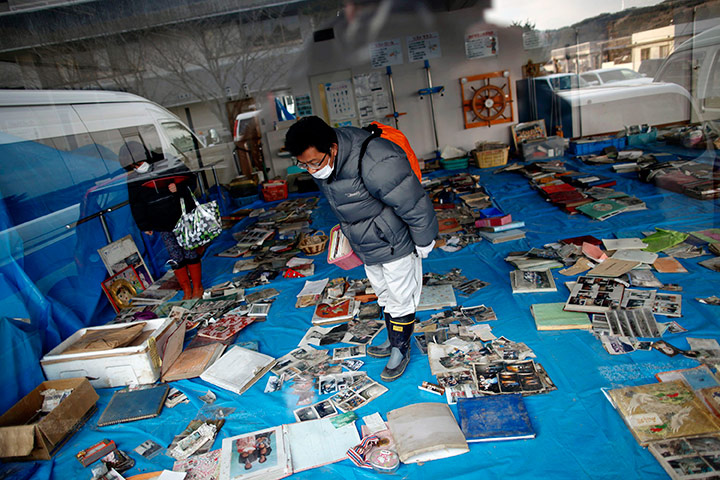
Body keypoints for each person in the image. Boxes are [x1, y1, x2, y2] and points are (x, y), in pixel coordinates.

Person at [285, 116, 438, 382]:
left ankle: (401, 349)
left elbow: (412, 201)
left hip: (395, 240)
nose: (310, 170)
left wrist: (424, 239)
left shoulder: (375, 159)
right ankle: (393, 340)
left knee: (401, 295)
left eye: (314, 162)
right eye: (303, 164)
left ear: (332, 148)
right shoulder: (326, 161)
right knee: (383, 293)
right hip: (367, 243)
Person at [120, 141, 204, 299]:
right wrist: (144, 225)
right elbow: (136, 203)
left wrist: (178, 188)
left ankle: (198, 287)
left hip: (182, 218)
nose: (137, 168)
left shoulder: (166, 162)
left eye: (138, 163)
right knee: (175, 256)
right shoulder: (132, 178)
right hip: (161, 222)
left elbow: (191, 179)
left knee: (189, 251)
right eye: (132, 167)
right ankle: (186, 289)